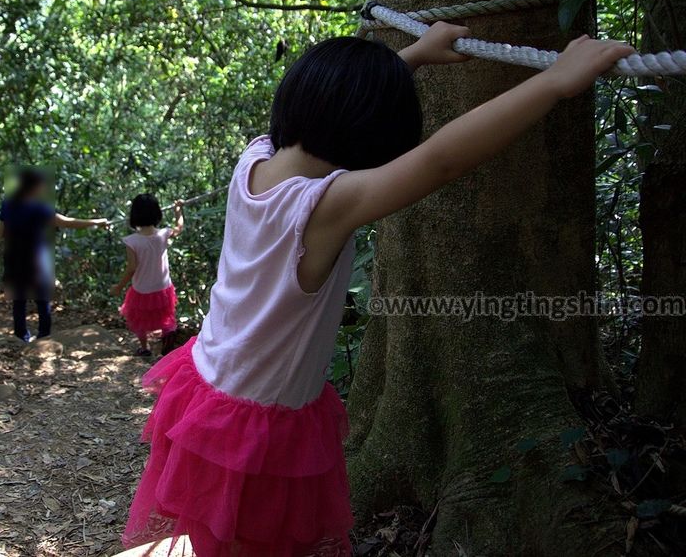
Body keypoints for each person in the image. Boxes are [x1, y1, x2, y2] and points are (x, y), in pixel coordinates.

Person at [122, 27, 634, 556]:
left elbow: (340, 105)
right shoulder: (325, 206)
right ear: (371, 143)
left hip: (208, 386)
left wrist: (410, 58)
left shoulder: (254, 159)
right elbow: (440, 161)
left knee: (220, 537)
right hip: (257, 420)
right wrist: (555, 82)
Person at [0, 168, 108, 342]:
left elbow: (0, 233)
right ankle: (43, 337)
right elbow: (67, 223)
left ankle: (21, 336)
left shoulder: (8, 204)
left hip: (14, 255)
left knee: (19, 299)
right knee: (42, 298)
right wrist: (96, 222)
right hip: (36, 256)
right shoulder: (40, 208)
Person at [111, 194, 185, 357]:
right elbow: (179, 228)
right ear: (157, 213)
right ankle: (168, 341)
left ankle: (145, 348)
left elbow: (131, 268)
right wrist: (178, 210)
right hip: (162, 286)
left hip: (142, 288)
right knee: (166, 314)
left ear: (134, 215)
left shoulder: (132, 241)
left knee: (138, 318)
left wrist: (119, 286)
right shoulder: (164, 233)